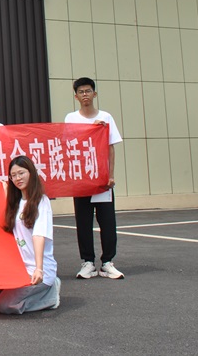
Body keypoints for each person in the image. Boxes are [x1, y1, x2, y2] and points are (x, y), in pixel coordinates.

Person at [65, 77, 125, 280]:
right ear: (76, 96)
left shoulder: (105, 117)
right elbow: (68, 146)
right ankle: (87, 262)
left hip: (101, 179)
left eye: (88, 91)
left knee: (107, 221)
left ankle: (107, 262)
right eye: (81, 92)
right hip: (82, 179)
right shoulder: (71, 118)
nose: (85, 95)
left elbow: (110, 148)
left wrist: (111, 175)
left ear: (94, 94)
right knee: (83, 221)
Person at [0, 155, 61, 314]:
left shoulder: (41, 201)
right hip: (19, 268)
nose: (18, 178)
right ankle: (31, 295)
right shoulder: (14, 203)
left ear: (31, 173)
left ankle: (50, 296)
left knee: (3, 306)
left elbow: (39, 235)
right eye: (13, 175)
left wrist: (39, 269)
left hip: (37, 271)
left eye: (21, 173)